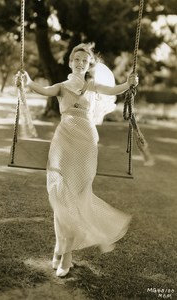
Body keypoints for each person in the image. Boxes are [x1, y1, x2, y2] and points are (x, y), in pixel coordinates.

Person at [19, 43, 138, 277]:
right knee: (60, 195)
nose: (80, 62)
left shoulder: (92, 85)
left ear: (89, 64)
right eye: (77, 59)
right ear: (70, 62)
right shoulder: (62, 86)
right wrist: (29, 82)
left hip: (85, 143)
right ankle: (63, 251)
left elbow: (114, 91)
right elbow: (43, 90)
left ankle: (63, 253)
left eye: (85, 60)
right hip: (64, 139)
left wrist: (128, 83)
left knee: (77, 195)